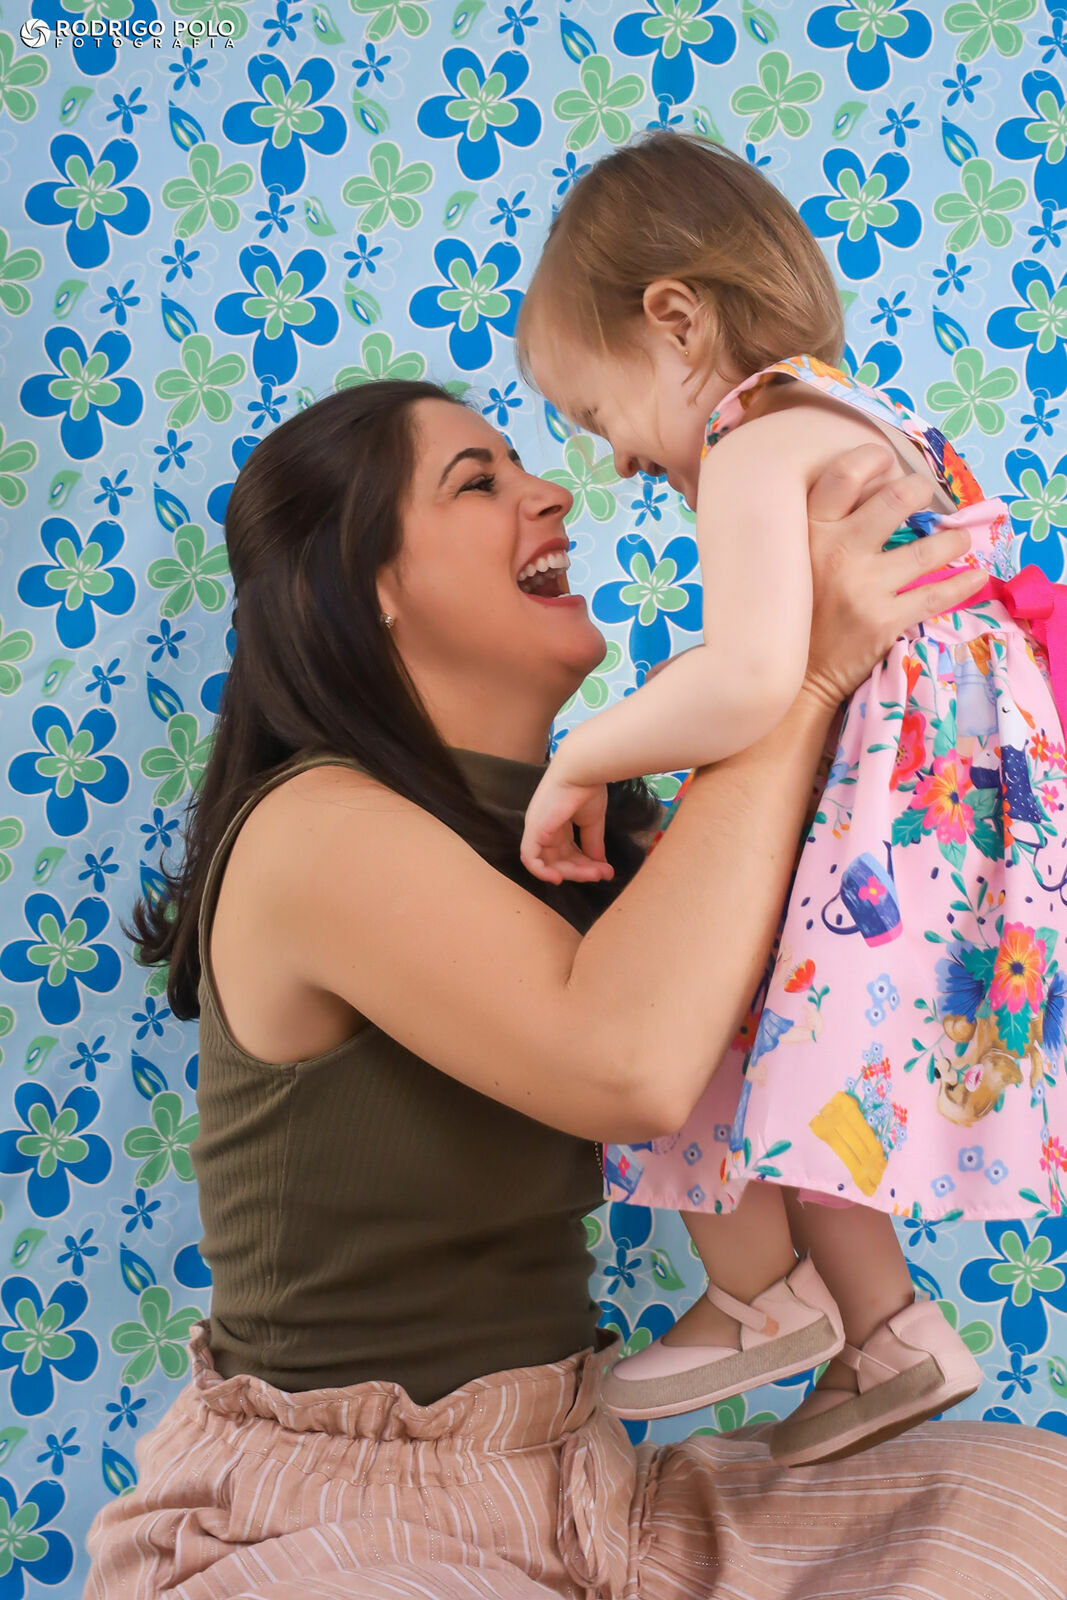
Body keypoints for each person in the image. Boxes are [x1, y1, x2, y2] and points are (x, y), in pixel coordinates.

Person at [83, 379, 1065, 1600]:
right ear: (365, 584)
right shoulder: (311, 830)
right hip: (323, 1516)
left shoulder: (583, 837)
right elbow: (626, 1064)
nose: (549, 491)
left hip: (586, 1485)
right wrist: (798, 677)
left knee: (1037, 1516)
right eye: (476, 481)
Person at [514, 129, 1067, 1465]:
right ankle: (877, 1331)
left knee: (702, 987)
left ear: (673, 318)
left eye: (597, 415)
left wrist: (580, 753)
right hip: (945, 806)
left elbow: (751, 681)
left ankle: (760, 1294)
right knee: (775, 1025)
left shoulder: (761, 435)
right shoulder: (859, 415)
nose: (612, 465)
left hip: (903, 807)